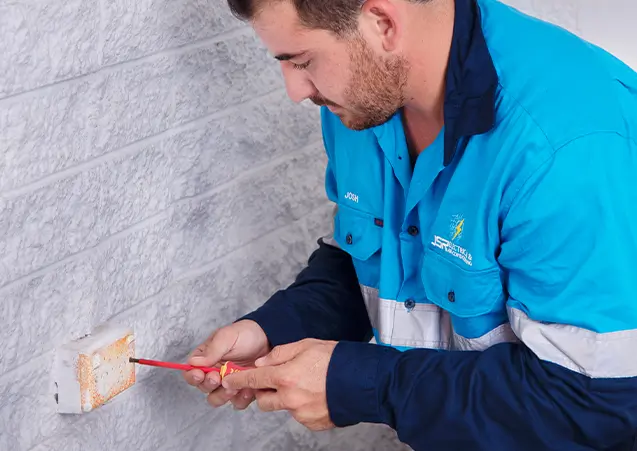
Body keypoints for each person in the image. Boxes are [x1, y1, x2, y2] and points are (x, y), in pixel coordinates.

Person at [182, 0, 637, 449]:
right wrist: (276, 329)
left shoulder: (565, 147)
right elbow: (378, 260)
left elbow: (591, 403)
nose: (295, 91)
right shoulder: (362, 104)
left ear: (382, 22)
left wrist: (362, 384)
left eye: (302, 61)